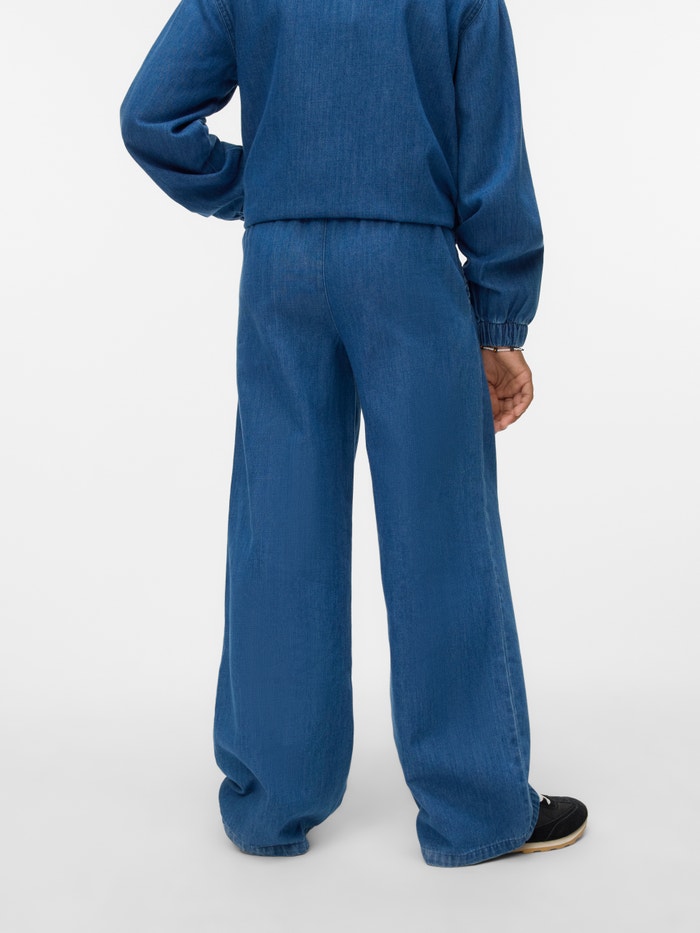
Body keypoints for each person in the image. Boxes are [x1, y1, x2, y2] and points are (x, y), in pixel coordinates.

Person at [120, 0, 587, 867]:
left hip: (281, 270)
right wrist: (500, 320)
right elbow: (491, 156)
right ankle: (475, 808)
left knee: (279, 530)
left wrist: (266, 188)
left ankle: (271, 800)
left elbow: (150, 115)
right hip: (409, 268)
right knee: (441, 532)